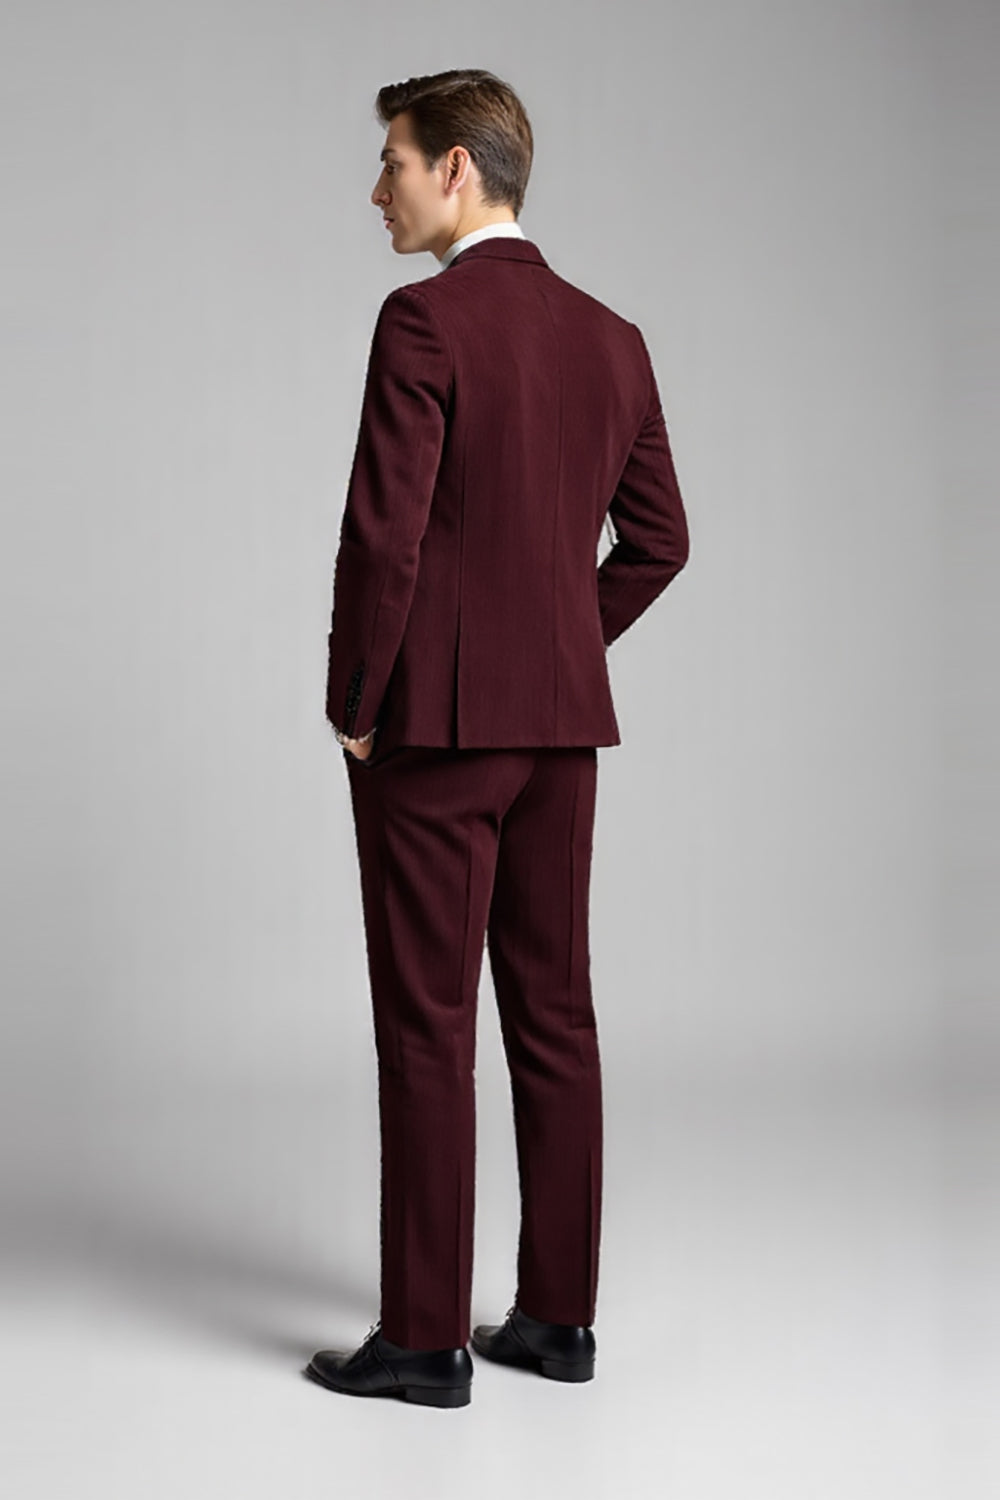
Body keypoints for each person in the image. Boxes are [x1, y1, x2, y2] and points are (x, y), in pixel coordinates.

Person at [306, 68, 690, 1408]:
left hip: (435, 734)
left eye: (394, 162)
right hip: (560, 732)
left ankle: (426, 1339)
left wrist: (358, 704)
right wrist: (562, 644)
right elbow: (661, 541)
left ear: (457, 169)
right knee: (555, 1013)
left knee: (428, 1025)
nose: (379, 189)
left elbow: (384, 537)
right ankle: (558, 1320)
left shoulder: (423, 322)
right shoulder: (613, 338)